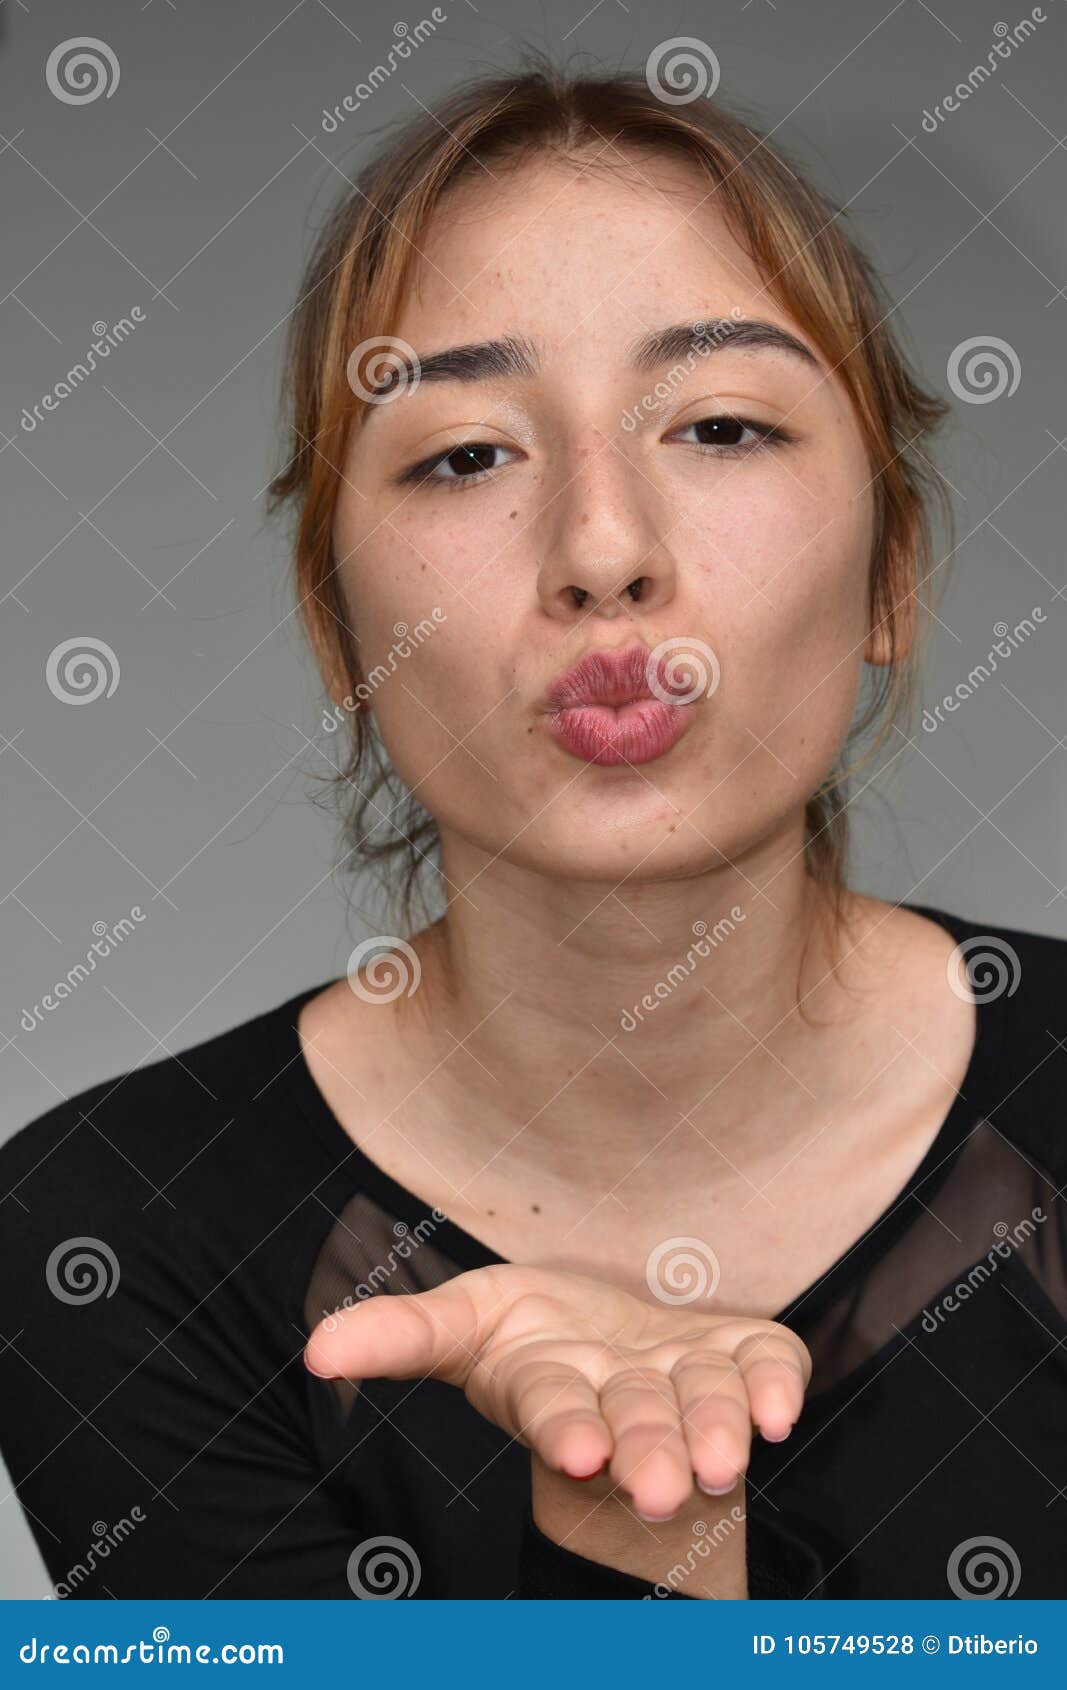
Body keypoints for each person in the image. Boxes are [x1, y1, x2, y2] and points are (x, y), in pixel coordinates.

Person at [1, 61, 1064, 1602]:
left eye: (716, 425)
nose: (603, 552)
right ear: (333, 626)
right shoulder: (101, 1233)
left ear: (893, 568)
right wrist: (630, 1515)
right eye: (466, 454)